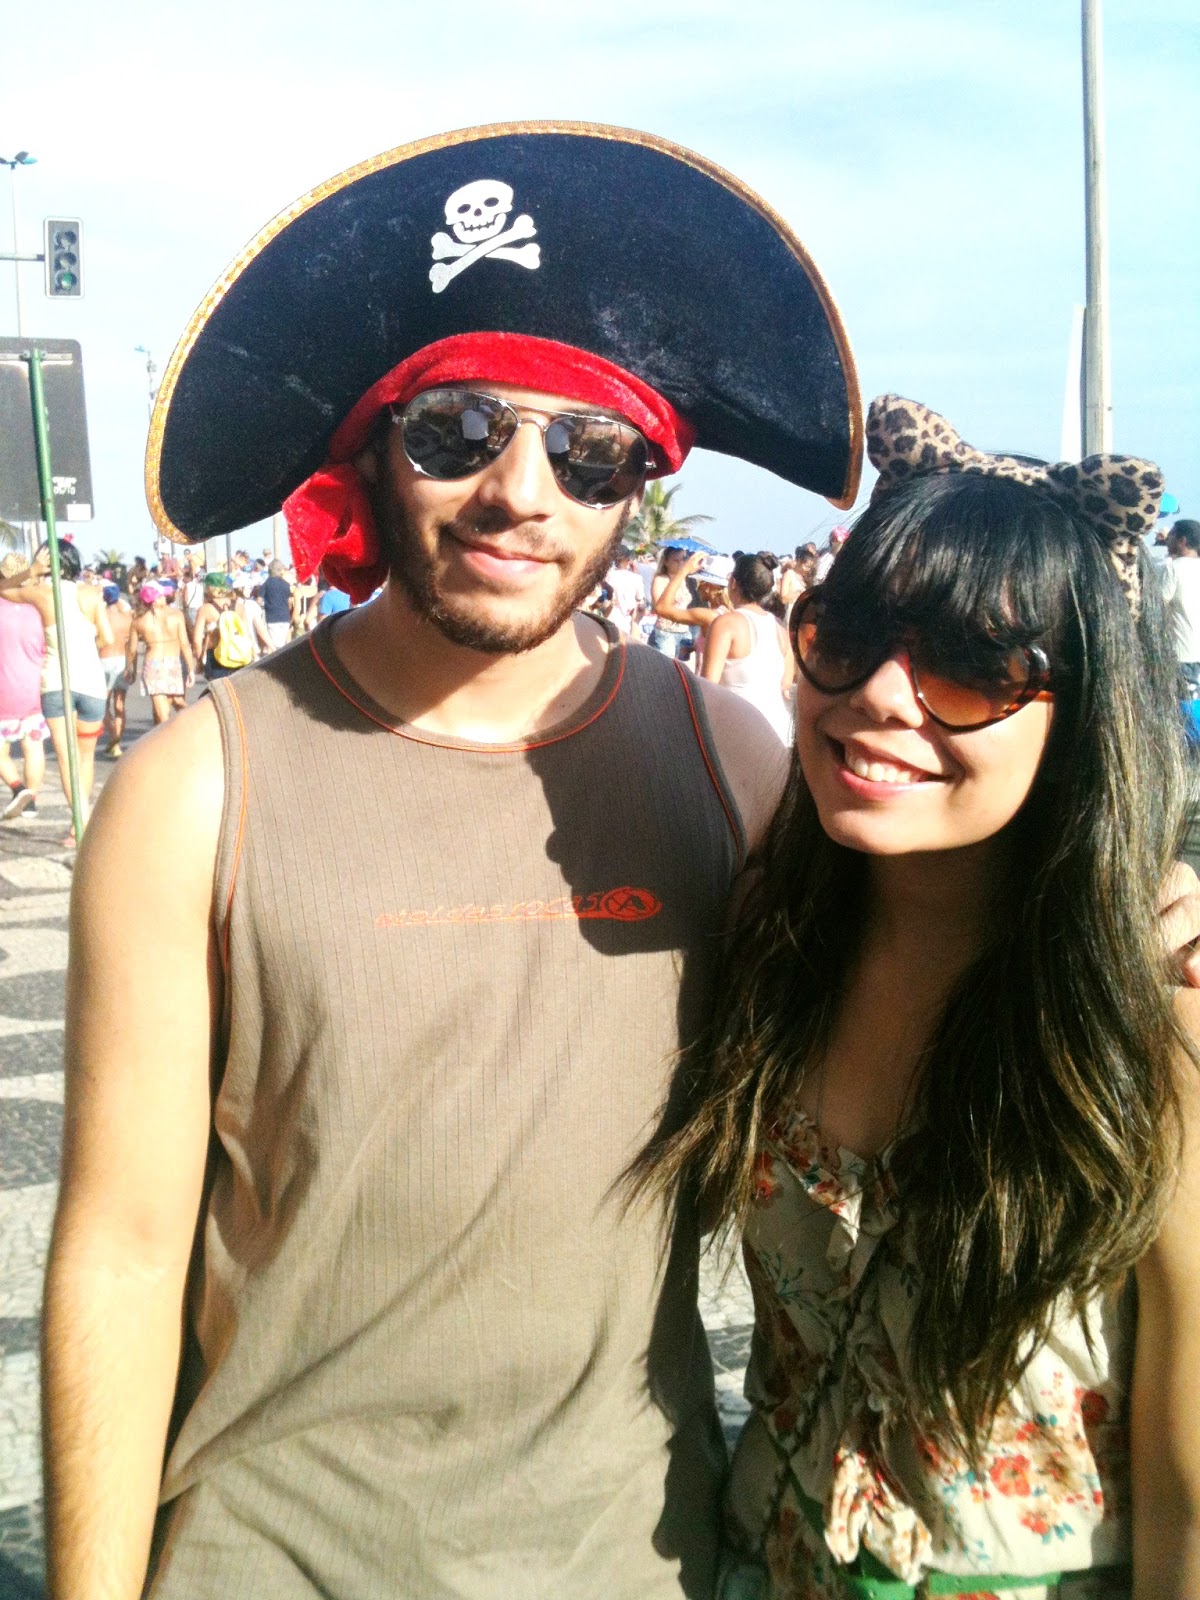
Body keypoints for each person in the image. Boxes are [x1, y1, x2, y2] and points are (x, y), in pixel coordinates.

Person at [43, 124, 869, 1600]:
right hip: (273, 1559)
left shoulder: (723, 762)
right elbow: (121, 1247)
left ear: (637, 490)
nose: (521, 492)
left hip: (638, 1558)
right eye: (459, 430)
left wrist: (1129, 930)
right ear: (370, 449)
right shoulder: (196, 787)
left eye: (589, 452)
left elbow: (900, 1008)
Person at [645, 397, 1200, 1599]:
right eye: (850, 633)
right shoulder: (770, 935)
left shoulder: (1158, 1015)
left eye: (975, 666)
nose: (886, 695)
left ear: (1083, 713)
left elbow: (1191, 1480)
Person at [0, 539, 111, 842]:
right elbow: (107, 638)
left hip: (57, 682)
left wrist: (30, 571)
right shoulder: (91, 594)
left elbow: (3, 589)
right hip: (92, 682)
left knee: (66, 758)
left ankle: (81, 826)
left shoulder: (42, 593)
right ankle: (79, 824)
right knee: (85, 757)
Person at [700, 553, 793, 743]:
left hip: (737, 732)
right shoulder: (780, 631)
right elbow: (785, 685)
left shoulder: (726, 623)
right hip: (778, 734)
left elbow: (707, 688)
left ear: (733, 583)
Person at [0, 551, 47, 819]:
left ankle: (18, 788)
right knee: (33, 746)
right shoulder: (38, 608)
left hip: (3, 690)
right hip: (33, 689)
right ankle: (31, 801)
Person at [126, 582, 195, 725]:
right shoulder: (176, 615)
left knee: (162, 714)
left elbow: (132, 650)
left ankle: (169, 734)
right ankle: (193, 724)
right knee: (173, 705)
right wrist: (190, 669)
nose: (165, 597)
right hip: (173, 663)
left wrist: (129, 668)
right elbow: (184, 644)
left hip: (153, 664)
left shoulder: (138, 621)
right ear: (155, 599)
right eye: (161, 595)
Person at [1159, 518, 1200, 696]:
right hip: (1196, 652)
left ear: (1182, 541)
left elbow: (1158, 605)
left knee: (1182, 705)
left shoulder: (1174, 568)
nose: (1167, 539)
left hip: (1181, 653)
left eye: (1171, 536)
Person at [191, 572, 252, 679]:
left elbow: (197, 640)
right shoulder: (239, 607)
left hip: (216, 657)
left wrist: (199, 660)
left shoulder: (205, 609)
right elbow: (246, 633)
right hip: (238, 655)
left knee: (218, 688)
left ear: (210, 588)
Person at [99, 582, 133, 756]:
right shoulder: (126, 618)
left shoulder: (100, 617)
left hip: (104, 660)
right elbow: (131, 644)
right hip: (122, 659)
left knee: (102, 704)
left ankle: (113, 736)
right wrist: (131, 666)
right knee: (120, 704)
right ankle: (116, 743)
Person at [648, 542, 696, 657]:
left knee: (684, 665)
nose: (680, 564)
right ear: (666, 562)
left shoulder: (685, 581)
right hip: (665, 631)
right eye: (676, 561)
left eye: (682, 560)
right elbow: (658, 605)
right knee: (666, 663)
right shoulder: (661, 579)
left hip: (684, 631)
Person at [606, 551, 645, 636]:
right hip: (628, 619)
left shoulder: (608, 576)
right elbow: (640, 598)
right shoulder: (636, 578)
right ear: (628, 561)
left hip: (609, 617)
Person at [260, 558, 294, 650]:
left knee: (275, 646)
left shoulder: (266, 583)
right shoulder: (286, 584)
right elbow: (290, 601)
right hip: (285, 617)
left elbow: (259, 599)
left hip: (272, 617)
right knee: (283, 644)